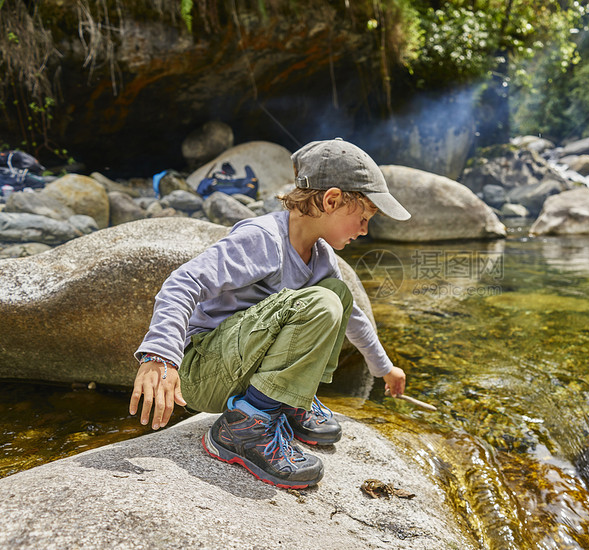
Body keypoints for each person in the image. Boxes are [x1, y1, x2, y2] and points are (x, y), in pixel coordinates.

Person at [128, 138, 410, 489]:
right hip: (203, 370)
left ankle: (286, 403)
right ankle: (245, 428)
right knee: (322, 303)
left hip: (240, 366)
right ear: (332, 200)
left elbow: (353, 318)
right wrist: (161, 355)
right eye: (363, 217)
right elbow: (182, 283)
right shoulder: (263, 239)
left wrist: (384, 368)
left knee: (337, 295)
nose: (365, 230)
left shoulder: (321, 257)